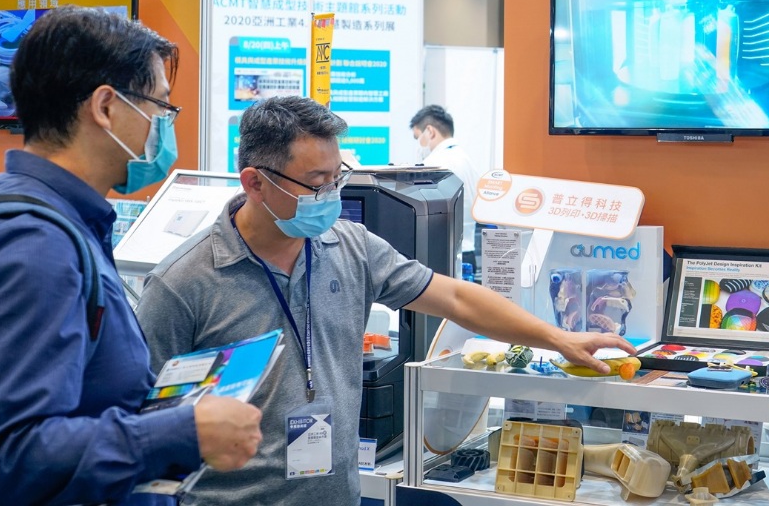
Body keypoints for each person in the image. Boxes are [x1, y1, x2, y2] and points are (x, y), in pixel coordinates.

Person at [138, 96, 635, 506]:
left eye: (337, 177)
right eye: (316, 183)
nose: (330, 194)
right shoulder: (182, 284)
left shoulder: (349, 247)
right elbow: (141, 426)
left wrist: (558, 338)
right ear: (255, 183)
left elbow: (456, 298)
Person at [0, 7, 262, 506]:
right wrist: (180, 432)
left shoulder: (54, 217)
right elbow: (5, 455)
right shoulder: (36, 244)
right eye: (161, 107)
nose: (164, 126)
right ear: (106, 106)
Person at [410, 104, 481, 271]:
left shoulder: (435, 164)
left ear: (430, 131)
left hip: (442, 256)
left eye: (418, 138)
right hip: (468, 252)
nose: (419, 145)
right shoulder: (466, 160)